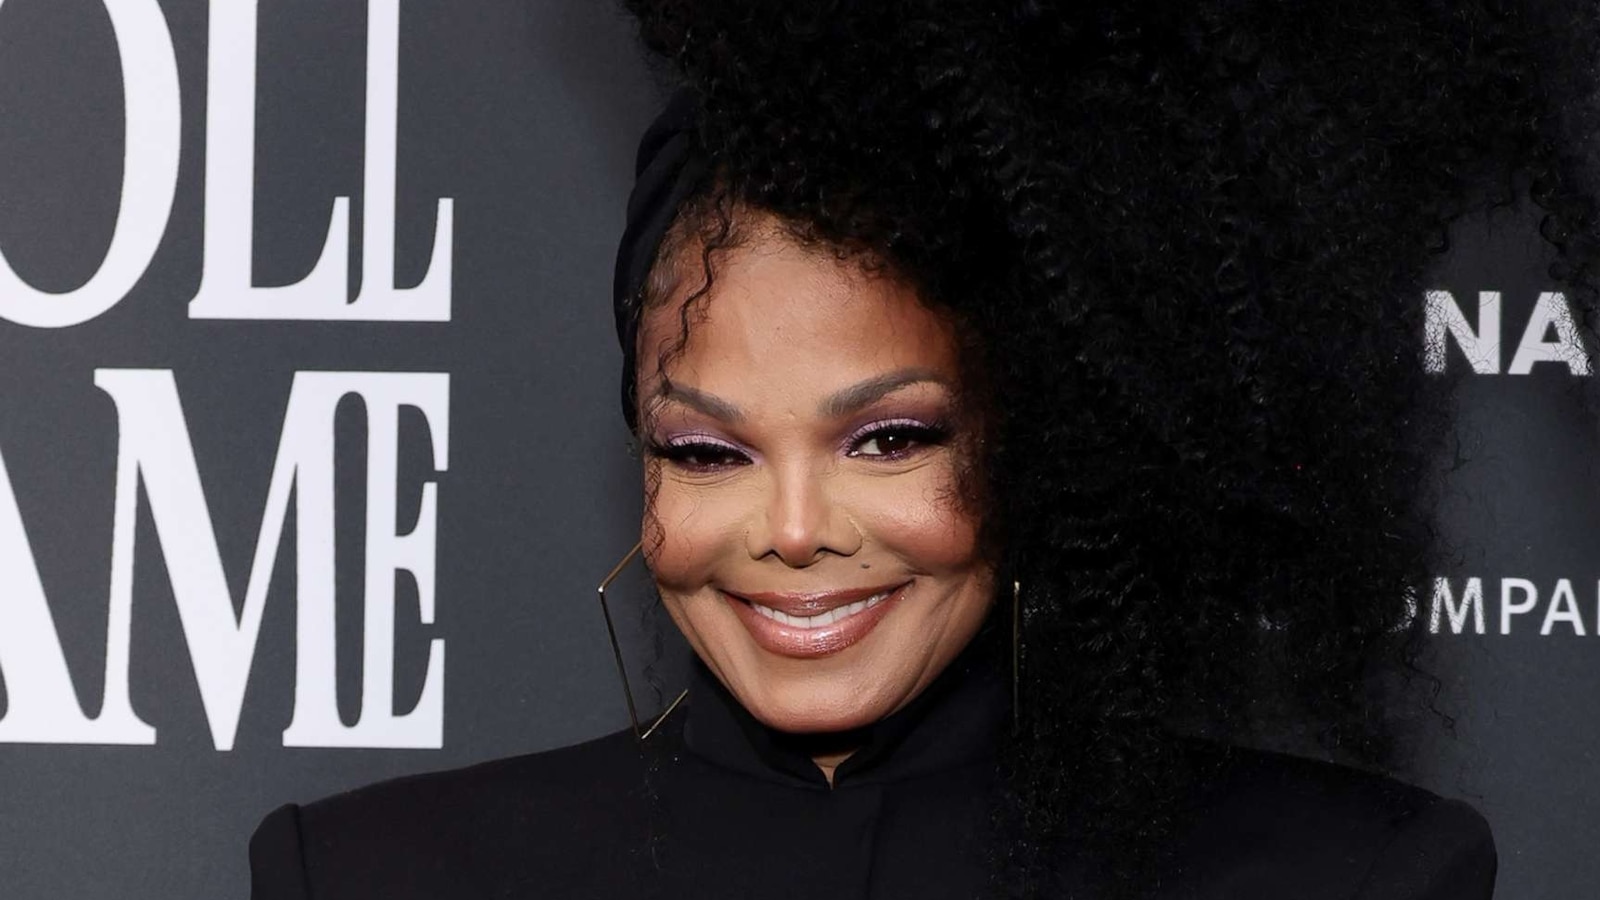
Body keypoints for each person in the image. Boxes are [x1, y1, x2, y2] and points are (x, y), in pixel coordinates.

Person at [248, 1, 1599, 897]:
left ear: (1040, 443)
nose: (790, 528)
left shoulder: (1354, 880)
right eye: (706, 451)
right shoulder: (374, 874)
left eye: (888, 439)